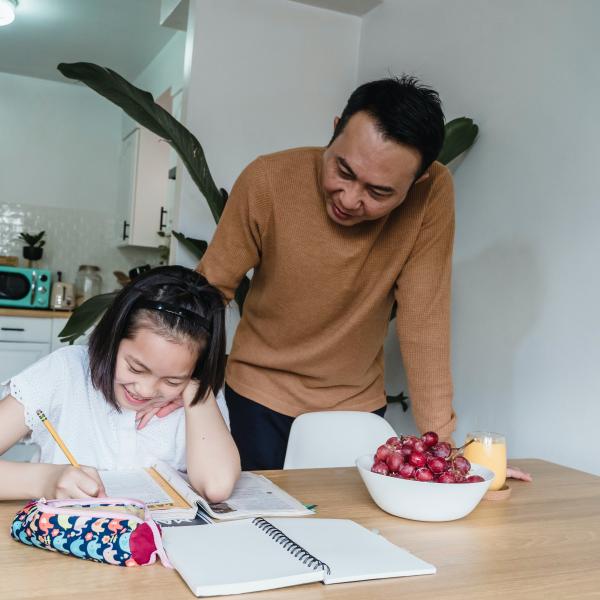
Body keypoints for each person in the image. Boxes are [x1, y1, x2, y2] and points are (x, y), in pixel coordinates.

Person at [192, 76, 458, 471]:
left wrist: (448, 458)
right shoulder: (268, 180)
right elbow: (209, 290)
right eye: (343, 171)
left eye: (379, 192)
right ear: (334, 130)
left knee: (340, 528)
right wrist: (171, 388)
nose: (350, 200)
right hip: (256, 396)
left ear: (415, 182)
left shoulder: (432, 193)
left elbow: (425, 320)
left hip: (355, 411)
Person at [0, 266, 241, 501]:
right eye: (136, 368)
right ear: (111, 339)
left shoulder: (197, 391)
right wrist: (45, 480)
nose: (145, 390)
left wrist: (194, 390)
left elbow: (216, 487)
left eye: (171, 380)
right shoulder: (65, 372)